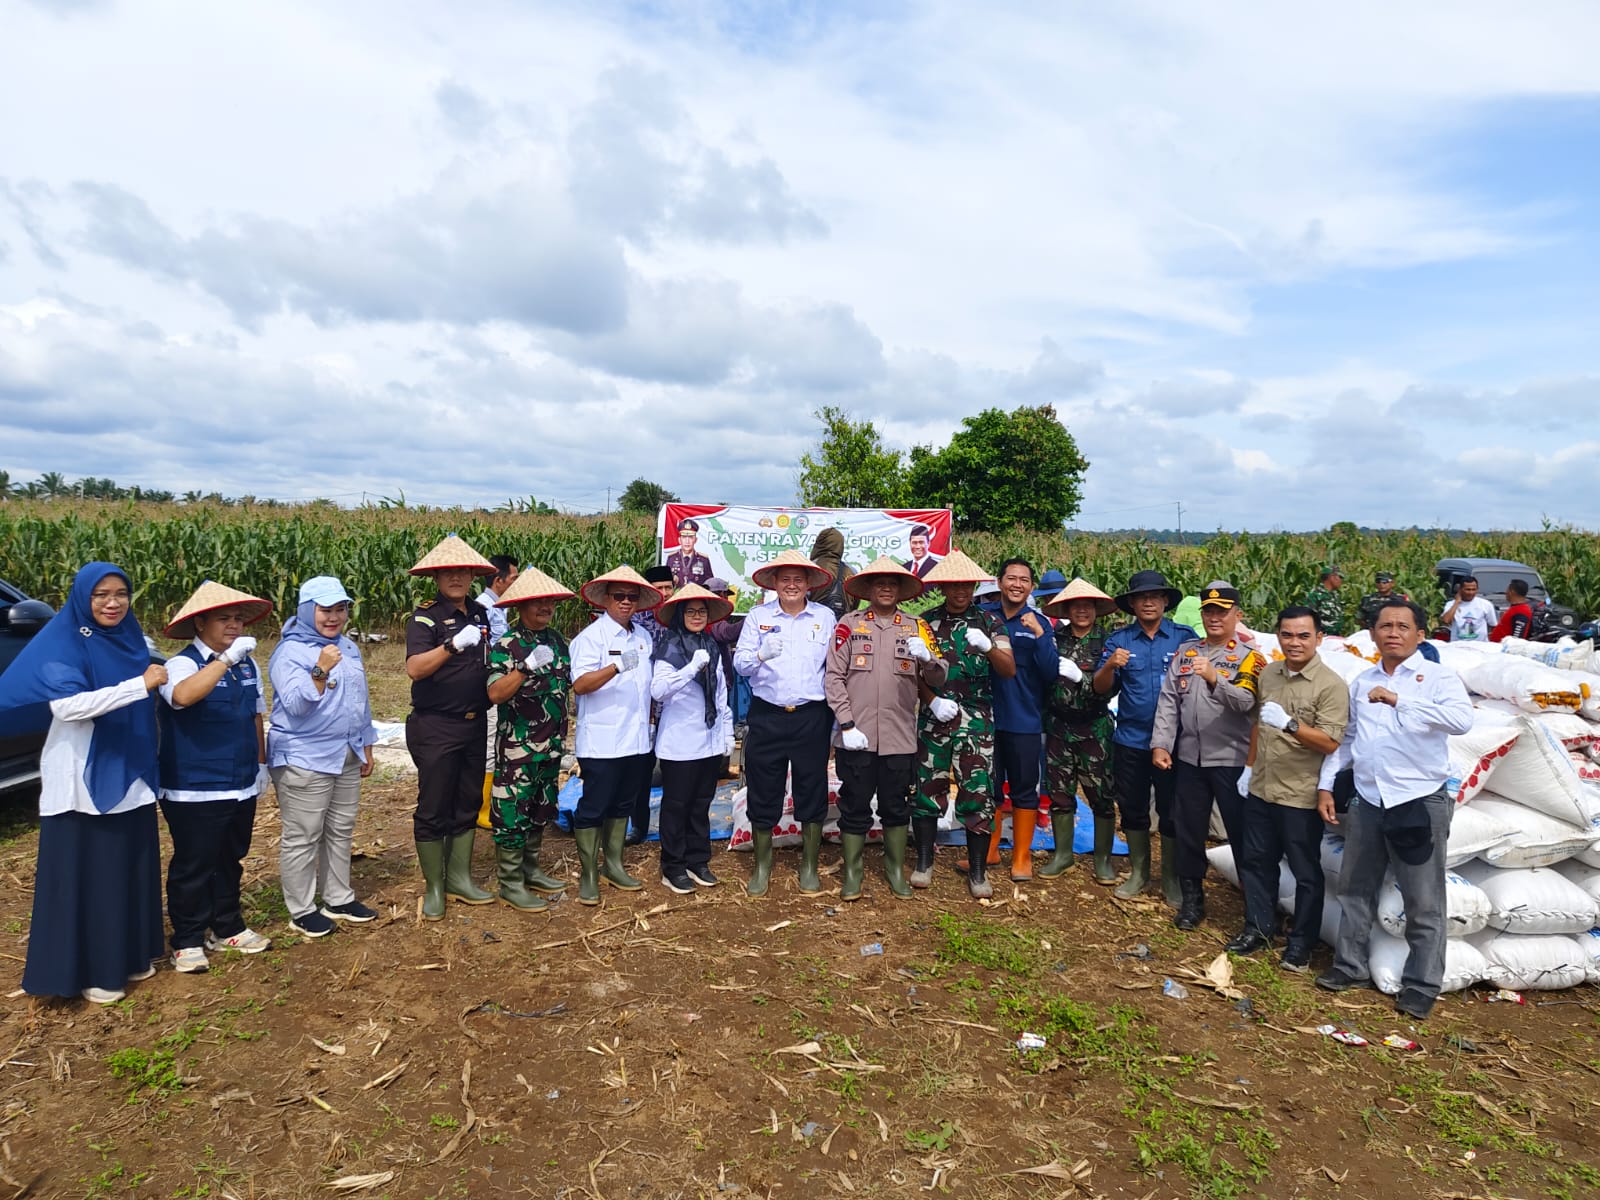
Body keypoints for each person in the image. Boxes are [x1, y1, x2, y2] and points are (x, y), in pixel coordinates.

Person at [0, 563, 166, 1004]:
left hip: (128, 767)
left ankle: (130, 955)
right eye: (101, 595)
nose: (113, 603)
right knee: (93, 874)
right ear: (81, 598)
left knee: (128, 866)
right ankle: (94, 970)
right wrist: (140, 684)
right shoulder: (65, 641)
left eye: (121, 593)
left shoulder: (128, 638)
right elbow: (68, 708)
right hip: (82, 775)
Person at [1316, 598, 1473, 1020]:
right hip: (1369, 799)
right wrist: (1326, 785)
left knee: (1423, 899)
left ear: (1420, 634)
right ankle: (1349, 967)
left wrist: (1399, 700)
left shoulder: (1437, 677)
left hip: (1418, 801)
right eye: (1385, 625)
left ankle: (1421, 985)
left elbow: (1462, 721)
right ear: (1372, 634)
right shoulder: (1362, 680)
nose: (1393, 632)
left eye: (1403, 626)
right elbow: (1347, 740)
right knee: (1355, 888)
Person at [156, 582, 274, 973]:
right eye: (224, 618)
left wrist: (260, 764)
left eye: (239, 618)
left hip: (239, 781)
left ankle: (226, 926)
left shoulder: (248, 664)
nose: (235, 625)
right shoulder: (181, 663)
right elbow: (184, 696)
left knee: (230, 858)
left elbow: (255, 714)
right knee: (194, 863)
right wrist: (222, 661)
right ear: (200, 622)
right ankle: (187, 938)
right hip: (195, 786)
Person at [825, 556, 948, 900]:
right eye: (878, 583)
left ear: (899, 590)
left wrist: (928, 658)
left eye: (892, 583)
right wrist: (846, 723)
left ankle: (894, 871)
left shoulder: (916, 627)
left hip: (899, 737)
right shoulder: (849, 625)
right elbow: (833, 678)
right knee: (854, 805)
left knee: (896, 807)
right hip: (857, 737)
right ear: (868, 589)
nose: (885, 588)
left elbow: (939, 676)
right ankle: (853, 874)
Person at [1231, 606, 1348, 966]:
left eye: (1302, 636)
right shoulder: (1269, 674)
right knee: (1255, 862)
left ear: (1318, 639)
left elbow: (1330, 742)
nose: (1294, 643)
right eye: (1287, 635)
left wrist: (1291, 725)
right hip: (1263, 787)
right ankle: (1259, 927)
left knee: (1305, 871)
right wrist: (1248, 768)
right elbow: (1257, 726)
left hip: (1299, 792)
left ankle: (1302, 941)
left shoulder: (1330, 686)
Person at [268, 576, 379, 936]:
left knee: (340, 828)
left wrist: (366, 743)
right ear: (306, 610)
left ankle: (338, 897)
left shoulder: (347, 646)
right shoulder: (290, 652)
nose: (334, 617)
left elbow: (359, 699)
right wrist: (320, 668)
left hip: (345, 752)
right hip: (305, 756)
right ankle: (301, 909)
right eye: (325, 610)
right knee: (304, 833)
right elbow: (297, 704)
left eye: (340, 609)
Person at [1152, 582, 1264, 930]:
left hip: (1231, 759)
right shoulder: (1187, 652)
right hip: (1190, 759)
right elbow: (1169, 701)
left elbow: (1246, 703)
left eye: (1222, 611)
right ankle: (1192, 901)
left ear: (1237, 615)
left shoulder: (1250, 657)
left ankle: (1257, 909)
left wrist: (1216, 678)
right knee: (1189, 830)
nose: (1215, 618)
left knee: (1242, 832)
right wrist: (1161, 744)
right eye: (1209, 611)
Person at [732, 548, 837, 896]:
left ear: (809, 584)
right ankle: (762, 867)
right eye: (785, 579)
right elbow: (741, 664)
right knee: (764, 788)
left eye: (798, 579)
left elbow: (835, 669)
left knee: (811, 787)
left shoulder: (824, 618)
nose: (792, 585)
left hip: (811, 716)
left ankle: (809, 865)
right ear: (774, 583)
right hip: (768, 714)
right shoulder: (758, 617)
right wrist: (761, 654)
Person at [912, 552, 1015, 898]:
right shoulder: (926, 622)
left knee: (978, 793)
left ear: (974, 585)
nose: (960, 590)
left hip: (976, 719)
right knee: (927, 789)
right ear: (942, 585)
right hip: (934, 717)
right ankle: (924, 863)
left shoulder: (990, 623)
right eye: (953, 584)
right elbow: (914, 671)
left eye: (966, 584)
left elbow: (1008, 668)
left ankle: (978, 871)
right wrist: (931, 701)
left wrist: (988, 649)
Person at [405, 534, 498, 919]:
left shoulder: (479, 613)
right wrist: (451, 646)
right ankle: (435, 886)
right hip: (436, 726)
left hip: (474, 723)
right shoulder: (424, 616)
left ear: (472, 574)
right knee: (434, 805)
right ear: (437, 577)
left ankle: (459, 878)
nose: (456, 577)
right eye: (449, 572)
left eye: (463, 571)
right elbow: (414, 668)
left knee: (467, 802)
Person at [1094, 569, 1200, 903]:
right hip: (1131, 740)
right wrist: (1110, 665)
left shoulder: (1184, 639)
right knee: (1133, 807)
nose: (1149, 602)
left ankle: (1170, 878)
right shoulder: (1119, 641)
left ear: (1165, 601)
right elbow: (1100, 690)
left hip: (1173, 742)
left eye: (1155, 596)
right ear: (1132, 604)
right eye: (1142, 597)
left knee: (1171, 811)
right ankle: (1140, 873)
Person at [569, 565, 664, 904]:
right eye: (619, 596)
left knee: (623, 803)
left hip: (637, 738)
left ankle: (613, 863)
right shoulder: (590, 638)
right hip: (602, 739)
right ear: (606, 599)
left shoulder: (643, 637)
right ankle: (589, 874)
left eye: (632, 597)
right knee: (594, 805)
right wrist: (615, 667)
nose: (626, 602)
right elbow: (580, 684)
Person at [484, 566, 576, 911]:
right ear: (521, 605)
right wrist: (522, 669)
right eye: (537, 601)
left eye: (550, 601)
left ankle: (530, 868)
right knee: (512, 814)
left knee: (540, 809)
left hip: (550, 747)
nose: (545, 606)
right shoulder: (507, 644)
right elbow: (495, 693)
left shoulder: (557, 641)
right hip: (518, 749)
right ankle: (510, 882)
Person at [983, 558, 1072, 882]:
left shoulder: (1038, 622)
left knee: (1023, 789)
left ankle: (1021, 857)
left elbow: (1050, 673)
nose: (1017, 584)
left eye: (1024, 580)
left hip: (1024, 717)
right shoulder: (985, 615)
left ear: (1031, 587)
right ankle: (989, 850)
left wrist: (1039, 637)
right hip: (988, 716)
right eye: (1011, 578)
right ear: (1000, 581)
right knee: (988, 787)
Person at [650, 583, 735, 893]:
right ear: (680, 614)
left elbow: (722, 693)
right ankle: (672, 865)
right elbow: (658, 691)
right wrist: (689, 668)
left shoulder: (711, 645)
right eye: (691, 611)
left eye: (702, 611)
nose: (697, 616)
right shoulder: (670, 646)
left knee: (701, 803)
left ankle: (698, 860)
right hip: (680, 741)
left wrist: (726, 733)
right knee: (677, 805)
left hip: (709, 739)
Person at [1039, 578, 1118, 883]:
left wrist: (1083, 681)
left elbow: (1110, 688)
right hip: (1059, 727)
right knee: (1060, 793)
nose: (1082, 611)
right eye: (1076, 606)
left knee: (1101, 794)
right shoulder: (1055, 639)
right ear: (1067, 609)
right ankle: (1063, 855)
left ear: (1097, 609)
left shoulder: (1108, 642)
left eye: (1088, 606)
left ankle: (1103, 859)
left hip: (1094, 729)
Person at [808, 527, 858, 618]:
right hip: (843, 624)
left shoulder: (810, 568)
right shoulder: (852, 571)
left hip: (813, 622)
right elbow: (855, 601)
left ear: (819, 544)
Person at [475, 555, 520, 640]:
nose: (516, 584)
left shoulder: (501, 606)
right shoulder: (484, 606)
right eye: (514, 579)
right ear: (498, 581)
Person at [1440, 576, 1496, 643]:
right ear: (1460, 589)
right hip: (1457, 646)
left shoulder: (1486, 605)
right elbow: (1446, 620)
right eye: (1468, 589)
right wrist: (1456, 602)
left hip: (1479, 647)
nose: (1471, 593)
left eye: (1474, 589)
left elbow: (1493, 626)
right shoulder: (1451, 604)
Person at [666, 518, 714, 589]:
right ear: (679, 540)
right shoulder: (671, 558)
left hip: (696, 598)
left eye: (691, 537)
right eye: (684, 537)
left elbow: (710, 584)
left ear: (695, 540)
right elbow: (667, 583)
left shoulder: (704, 560)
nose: (687, 541)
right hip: (678, 598)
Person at [1303, 568, 1345, 637]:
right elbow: (1308, 617)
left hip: (1335, 637)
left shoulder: (1335, 595)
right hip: (1321, 637)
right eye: (1339, 577)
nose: (1341, 580)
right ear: (1331, 577)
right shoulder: (1315, 594)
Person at [1490, 578, 1534, 643]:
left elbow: (1517, 638)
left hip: (1503, 649)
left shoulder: (1521, 611)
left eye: (1507, 590)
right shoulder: (1516, 608)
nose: (1506, 593)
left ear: (1512, 592)